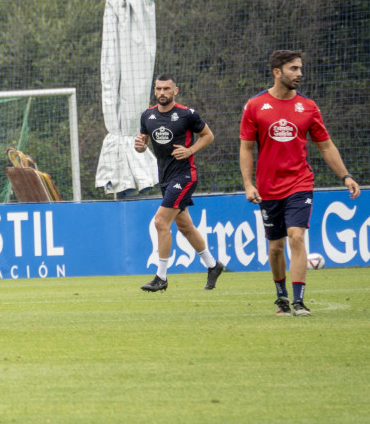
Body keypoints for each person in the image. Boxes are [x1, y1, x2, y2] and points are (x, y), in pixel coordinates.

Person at [239, 50, 360, 317]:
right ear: (277, 72)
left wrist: (346, 176)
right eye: (293, 69)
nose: (300, 74)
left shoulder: (308, 107)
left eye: (300, 68)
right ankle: (281, 297)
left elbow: (326, 146)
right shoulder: (255, 106)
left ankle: (298, 301)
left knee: (296, 235)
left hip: (300, 183)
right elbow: (246, 148)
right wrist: (248, 184)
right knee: (275, 247)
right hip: (268, 187)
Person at [135, 74, 225, 292]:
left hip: (184, 175)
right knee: (184, 226)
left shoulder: (187, 115)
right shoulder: (147, 116)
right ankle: (213, 265)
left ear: (175, 90)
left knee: (160, 222)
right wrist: (139, 146)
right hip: (165, 177)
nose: (162, 93)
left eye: (167, 89)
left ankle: (161, 277)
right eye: (158, 89)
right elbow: (142, 142)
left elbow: (208, 136)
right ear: (154, 91)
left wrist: (191, 150)